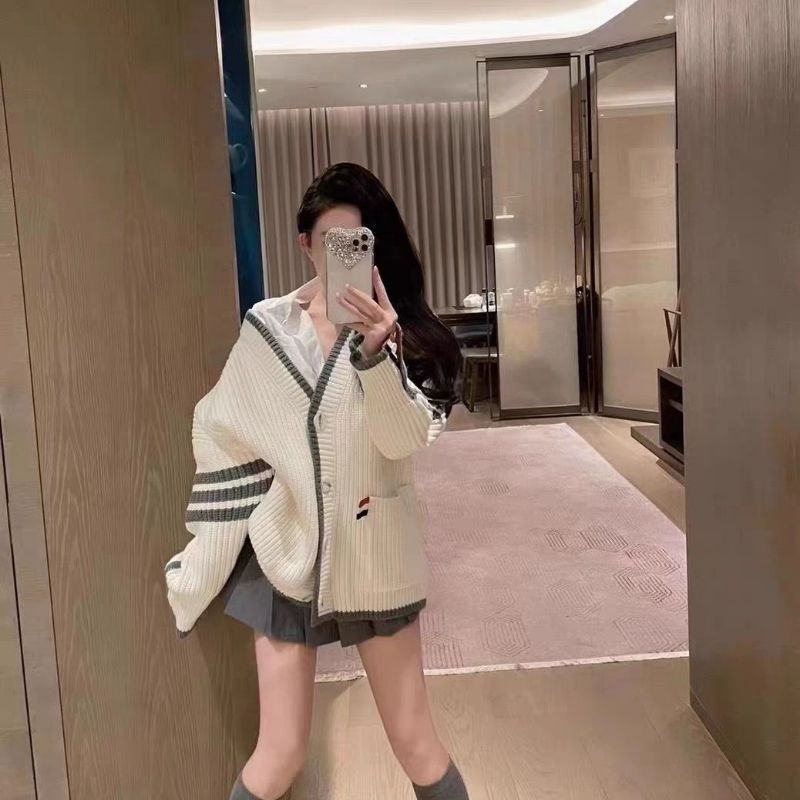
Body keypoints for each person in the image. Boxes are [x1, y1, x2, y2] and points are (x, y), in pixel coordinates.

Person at [164, 163, 468, 800]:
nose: (342, 257)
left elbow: (403, 440)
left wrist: (377, 355)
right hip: (286, 545)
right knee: (279, 754)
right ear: (305, 244)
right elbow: (221, 425)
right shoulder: (268, 328)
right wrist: (223, 529)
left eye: (357, 243)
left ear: (375, 246)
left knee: (416, 744)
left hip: (374, 549)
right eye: (331, 243)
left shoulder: (406, 337)